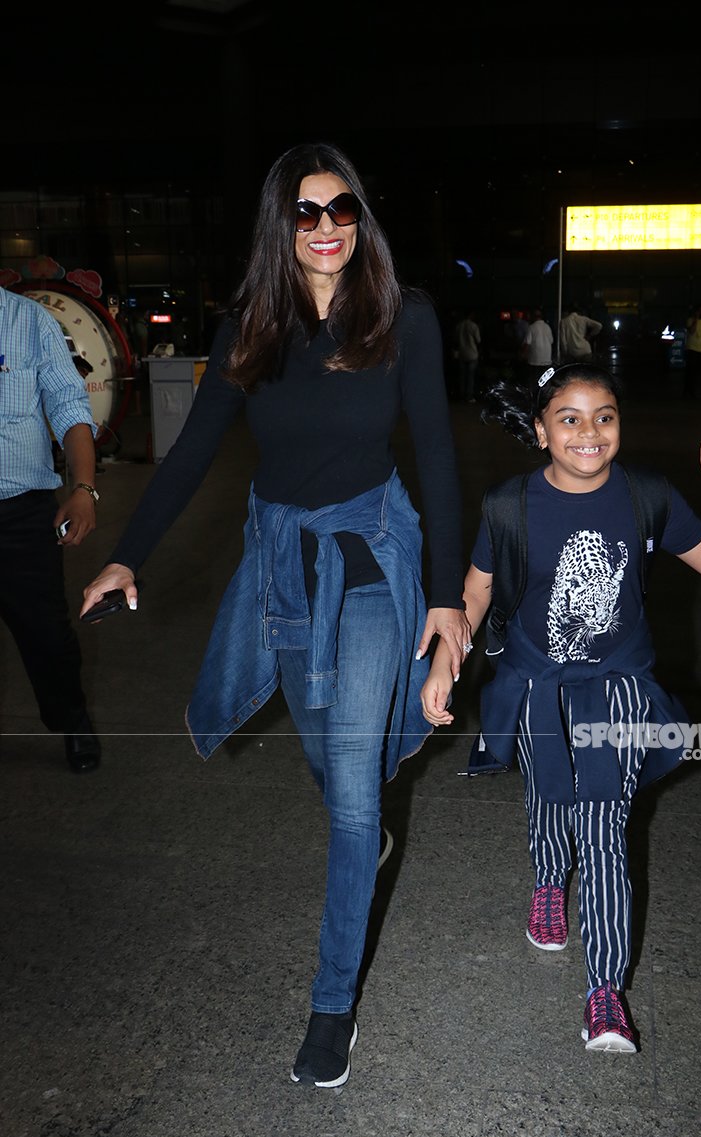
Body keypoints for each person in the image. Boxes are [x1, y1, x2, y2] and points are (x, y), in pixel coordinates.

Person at [79, 142, 471, 1088]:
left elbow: (443, 461)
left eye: (343, 209)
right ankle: (362, 814)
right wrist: (128, 551)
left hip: (375, 558)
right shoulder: (251, 325)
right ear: (281, 225)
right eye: (307, 212)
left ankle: (331, 1007)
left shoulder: (402, 317)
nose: (328, 228)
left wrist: (450, 600)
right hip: (286, 564)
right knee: (332, 766)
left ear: (360, 218)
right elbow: (190, 454)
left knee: (347, 781)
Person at [421, 362, 701, 1054]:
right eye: (568, 418)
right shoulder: (509, 506)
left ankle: (604, 992)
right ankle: (548, 880)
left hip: (618, 689)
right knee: (549, 802)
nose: (589, 433)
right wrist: (446, 661)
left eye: (604, 416)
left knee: (604, 829)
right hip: (537, 685)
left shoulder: (647, 495)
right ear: (541, 430)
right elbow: (475, 594)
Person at [0, 285, 101, 772]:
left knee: (46, 637)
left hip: (21, 515)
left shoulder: (29, 322)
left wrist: (83, 488)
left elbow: (68, 406)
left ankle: (72, 719)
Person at [520, 306, 553, 388]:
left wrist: (522, 355)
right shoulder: (547, 327)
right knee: (545, 383)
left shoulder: (531, 327)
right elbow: (551, 341)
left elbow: (527, 343)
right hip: (547, 360)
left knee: (534, 382)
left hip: (535, 361)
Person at [455, 308, 481, 402]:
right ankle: (469, 396)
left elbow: (456, 340)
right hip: (472, 354)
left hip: (462, 353)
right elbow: (478, 340)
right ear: (471, 315)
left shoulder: (459, 326)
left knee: (462, 376)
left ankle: (461, 395)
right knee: (471, 377)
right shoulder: (474, 326)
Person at [683, 304, 701, 398]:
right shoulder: (690, 320)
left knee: (696, 372)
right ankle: (687, 391)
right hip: (691, 348)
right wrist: (695, 320)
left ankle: (693, 391)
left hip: (699, 349)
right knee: (690, 371)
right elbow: (692, 331)